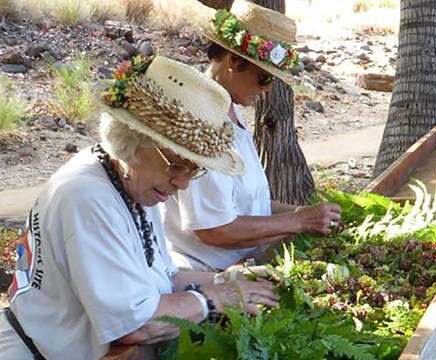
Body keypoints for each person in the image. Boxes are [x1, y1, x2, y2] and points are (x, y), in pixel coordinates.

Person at [0, 55, 279, 360]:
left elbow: (164, 278)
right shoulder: (88, 198)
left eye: (195, 170)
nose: (183, 183)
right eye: (178, 165)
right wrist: (212, 300)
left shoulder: (131, 182)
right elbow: (135, 325)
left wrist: (231, 282)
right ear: (133, 140)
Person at [161, 0, 341, 271]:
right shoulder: (201, 120)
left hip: (244, 264)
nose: (267, 90)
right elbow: (213, 229)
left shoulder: (229, 106)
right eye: (264, 79)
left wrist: (301, 215)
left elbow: (246, 205)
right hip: (208, 277)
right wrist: (299, 221)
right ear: (234, 60)